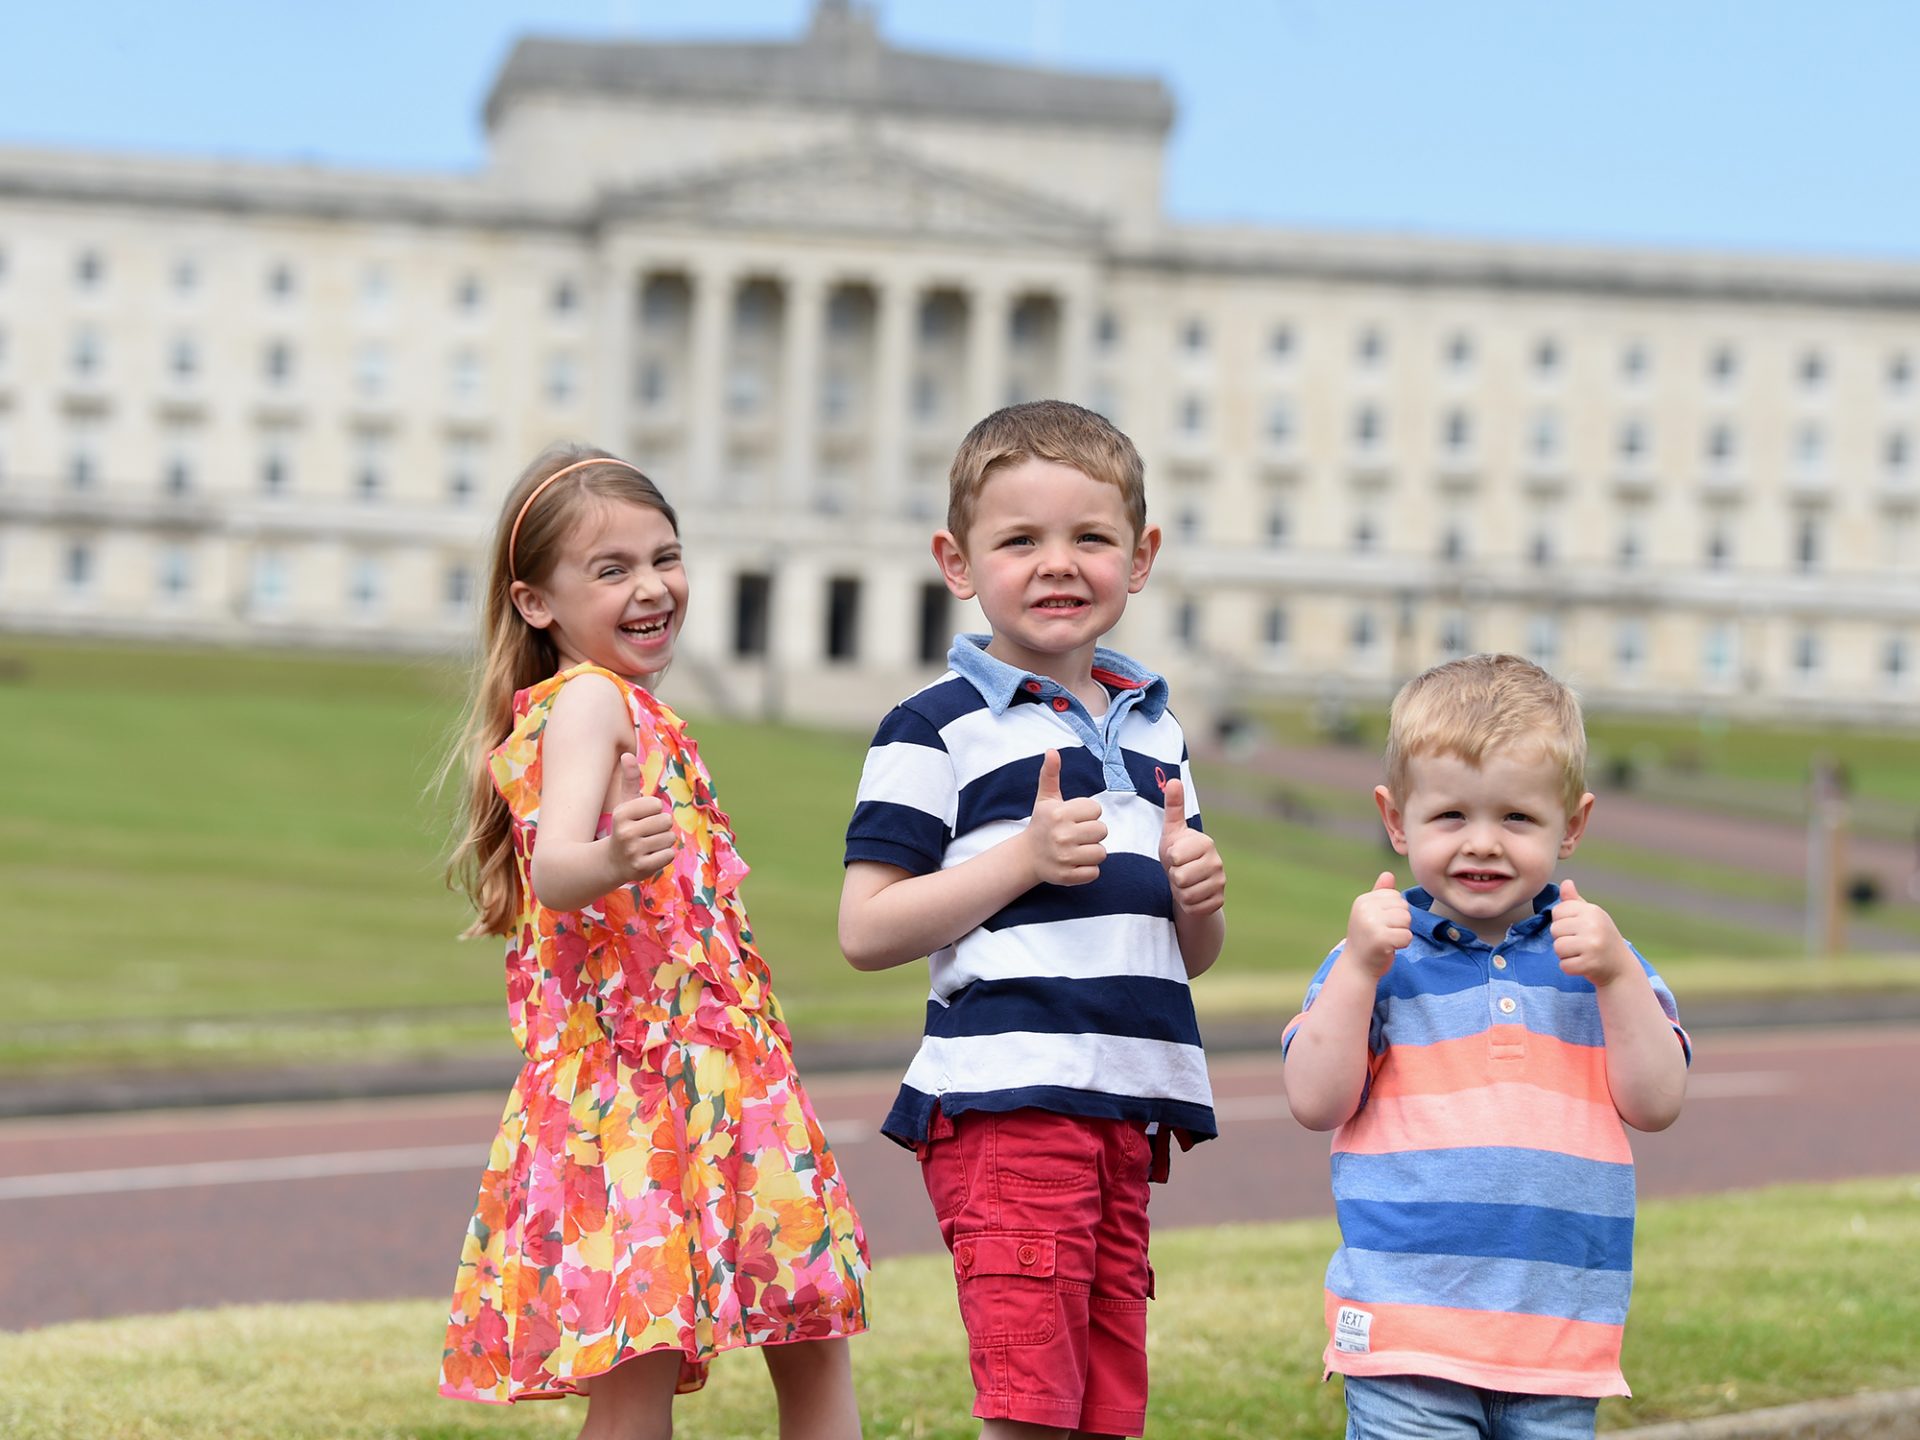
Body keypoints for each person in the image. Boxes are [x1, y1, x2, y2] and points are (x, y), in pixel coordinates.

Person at [437, 445, 869, 1440]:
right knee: (666, 1368)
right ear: (535, 602)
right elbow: (555, 871)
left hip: (723, 1077)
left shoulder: (636, 710)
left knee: (803, 1336)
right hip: (643, 1094)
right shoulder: (591, 701)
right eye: (612, 568)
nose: (653, 587)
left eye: (664, 558)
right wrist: (616, 854)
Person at [839, 400, 1226, 1439]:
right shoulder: (935, 728)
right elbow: (867, 928)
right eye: (1020, 540)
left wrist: (1197, 898)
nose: (1058, 564)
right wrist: (1022, 857)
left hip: (1124, 1117)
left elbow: (1184, 958)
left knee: (1108, 1407)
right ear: (957, 563)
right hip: (1012, 1112)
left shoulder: (1156, 732)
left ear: (1139, 558)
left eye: (1090, 538)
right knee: (1032, 1407)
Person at [1283, 653, 1689, 1439]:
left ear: (1571, 826)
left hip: (1556, 1339)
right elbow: (1313, 1100)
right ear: (1395, 819)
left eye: (1516, 818)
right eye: (1450, 817)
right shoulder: (1374, 956)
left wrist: (1614, 976)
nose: (1483, 844)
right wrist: (1361, 966)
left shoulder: (1603, 960)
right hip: (1406, 1332)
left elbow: (1658, 1103)